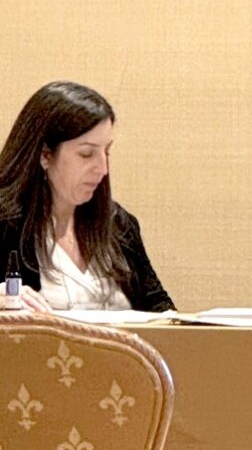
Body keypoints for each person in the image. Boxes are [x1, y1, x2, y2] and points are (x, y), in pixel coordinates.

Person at [0, 81, 174, 312]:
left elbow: (160, 308)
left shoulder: (118, 223)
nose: (103, 169)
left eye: (106, 151)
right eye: (86, 154)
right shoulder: (5, 224)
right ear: (45, 155)